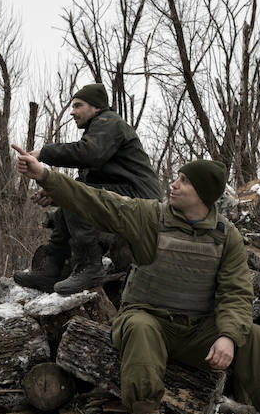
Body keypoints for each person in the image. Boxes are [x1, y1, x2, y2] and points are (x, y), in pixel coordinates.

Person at [12, 144, 260, 414]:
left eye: (184, 181)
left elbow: (236, 294)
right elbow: (98, 201)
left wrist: (227, 335)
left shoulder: (225, 236)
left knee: (255, 337)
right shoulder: (150, 217)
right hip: (148, 321)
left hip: (197, 331)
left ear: (201, 194)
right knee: (139, 327)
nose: (174, 183)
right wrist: (46, 175)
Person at [14, 83, 161, 294]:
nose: (72, 112)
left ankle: (89, 266)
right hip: (125, 194)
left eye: (78, 105)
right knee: (70, 196)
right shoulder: (98, 129)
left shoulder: (109, 121)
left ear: (96, 107)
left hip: (142, 199)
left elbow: (89, 153)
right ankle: (52, 267)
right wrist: (55, 194)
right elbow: (87, 179)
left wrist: (43, 153)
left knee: (78, 197)